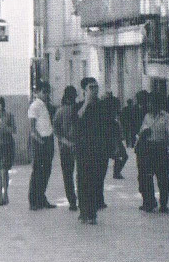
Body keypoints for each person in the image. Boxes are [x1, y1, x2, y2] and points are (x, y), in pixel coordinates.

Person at [73, 77, 110, 224]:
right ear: (84, 90)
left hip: (99, 150)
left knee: (96, 181)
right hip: (83, 150)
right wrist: (87, 103)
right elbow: (76, 120)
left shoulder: (102, 106)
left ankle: (92, 212)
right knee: (83, 180)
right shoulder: (78, 107)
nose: (94, 90)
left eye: (96, 87)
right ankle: (84, 211)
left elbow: (108, 126)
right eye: (91, 88)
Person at [137, 91, 169, 213]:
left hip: (161, 149)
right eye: (148, 103)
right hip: (148, 149)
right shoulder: (147, 116)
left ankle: (163, 204)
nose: (149, 105)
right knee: (147, 177)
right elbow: (141, 131)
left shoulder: (166, 117)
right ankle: (149, 202)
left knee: (163, 178)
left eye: (151, 103)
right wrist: (143, 132)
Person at [27, 83, 56, 210]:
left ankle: (41, 198)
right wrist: (41, 142)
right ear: (37, 92)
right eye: (44, 92)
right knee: (38, 171)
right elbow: (32, 129)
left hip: (48, 139)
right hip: (40, 142)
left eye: (48, 92)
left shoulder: (44, 105)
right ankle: (33, 201)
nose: (46, 94)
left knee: (46, 172)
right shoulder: (34, 106)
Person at [52, 85, 80, 210]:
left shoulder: (60, 111)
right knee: (80, 173)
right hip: (78, 145)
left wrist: (64, 141)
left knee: (67, 175)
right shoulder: (78, 110)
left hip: (65, 147)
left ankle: (72, 201)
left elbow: (56, 130)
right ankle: (81, 198)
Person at [106, 96, 128, 180]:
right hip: (114, 141)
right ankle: (116, 172)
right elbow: (114, 134)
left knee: (120, 156)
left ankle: (116, 172)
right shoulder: (112, 119)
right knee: (122, 155)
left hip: (114, 141)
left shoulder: (112, 116)